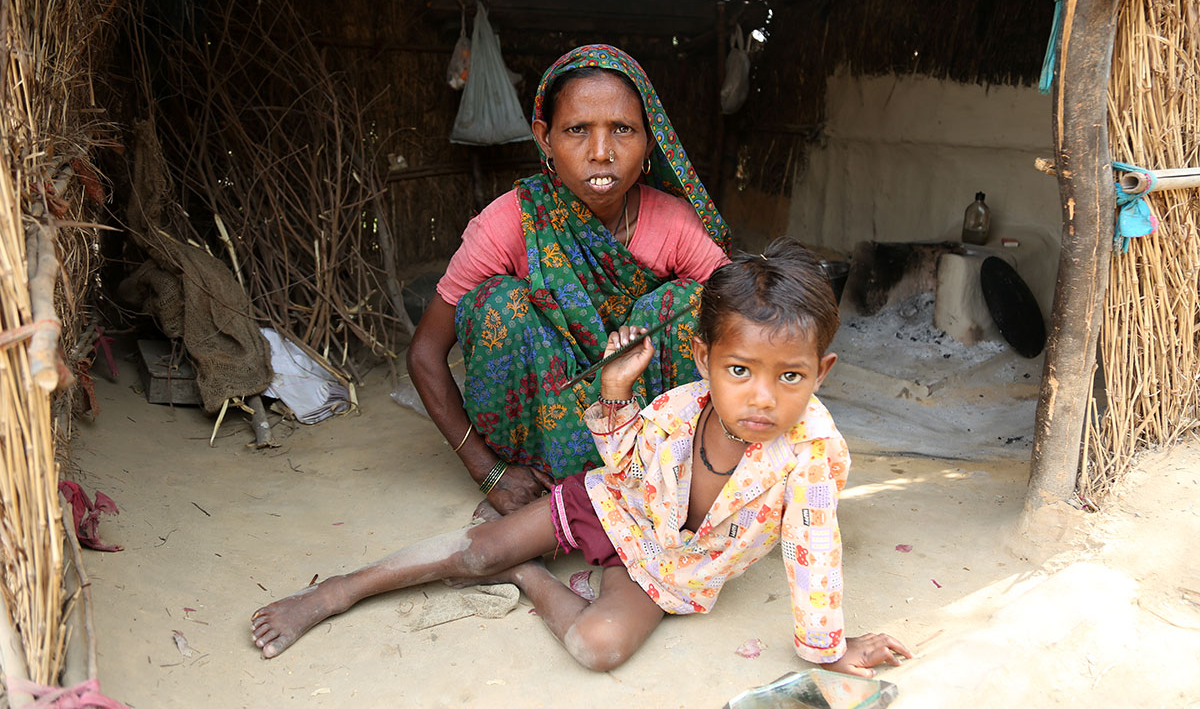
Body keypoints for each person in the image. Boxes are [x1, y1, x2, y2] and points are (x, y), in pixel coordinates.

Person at [252, 237, 913, 676]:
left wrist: (828, 647)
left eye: (790, 377)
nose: (763, 398)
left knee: (598, 649)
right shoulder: (682, 406)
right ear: (705, 357)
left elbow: (814, 545)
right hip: (613, 507)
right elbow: (624, 468)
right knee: (478, 550)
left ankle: (528, 578)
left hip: (670, 570)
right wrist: (617, 389)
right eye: (740, 369)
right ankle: (341, 591)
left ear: (821, 372)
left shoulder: (816, 451)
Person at [407, 44, 731, 515]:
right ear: (545, 138)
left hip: (643, 443)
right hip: (535, 453)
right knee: (498, 303)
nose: (601, 153)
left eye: (623, 129)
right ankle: (554, 484)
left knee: (696, 305)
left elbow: (747, 324)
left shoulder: (675, 224)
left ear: (649, 140)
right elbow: (424, 353)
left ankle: (664, 473)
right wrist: (488, 471)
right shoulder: (510, 223)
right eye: (577, 130)